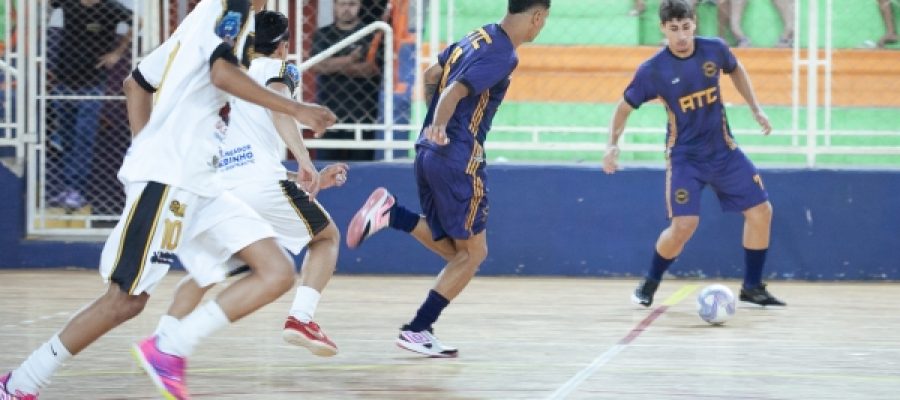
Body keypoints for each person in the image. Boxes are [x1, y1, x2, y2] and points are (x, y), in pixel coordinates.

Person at [0, 0, 336, 399]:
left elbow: (136, 82)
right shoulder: (230, 9)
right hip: (172, 177)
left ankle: (169, 348)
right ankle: (22, 382)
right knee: (125, 301)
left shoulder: (203, 22)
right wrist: (297, 108)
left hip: (203, 180)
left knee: (275, 271)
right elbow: (221, 73)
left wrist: (145, 147)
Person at [344, 0, 551, 357]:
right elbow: (454, 91)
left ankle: (393, 215)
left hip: (428, 152)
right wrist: (442, 125)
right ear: (537, 17)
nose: (541, 26)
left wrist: (433, 128)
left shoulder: (478, 35)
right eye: (543, 20)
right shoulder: (504, 55)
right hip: (457, 159)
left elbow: (430, 77)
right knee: (473, 254)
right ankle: (417, 328)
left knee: (459, 251)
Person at [143, 10, 347, 359]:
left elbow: (248, 154)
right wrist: (305, 160)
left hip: (224, 190)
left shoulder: (233, 77)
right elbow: (281, 109)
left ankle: (161, 340)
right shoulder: (280, 69)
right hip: (261, 186)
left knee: (211, 269)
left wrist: (296, 176)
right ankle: (301, 318)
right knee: (326, 237)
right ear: (283, 46)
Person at [602, 0, 785, 309]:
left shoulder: (714, 49)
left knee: (761, 211)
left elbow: (736, 69)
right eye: (674, 29)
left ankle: (752, 287)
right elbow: (622, 109)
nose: (682, 36)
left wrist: (756, 108)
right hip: (685, 158)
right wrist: (612, 145)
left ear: (694, 24)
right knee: (684, 226)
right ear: (663, 29)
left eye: (686, 28)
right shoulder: (652, 70)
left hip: (724, 151)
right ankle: (650, 282)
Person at [47, 0, 133, 210]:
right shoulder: (68, 4)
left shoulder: (111, 8)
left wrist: (117, 53)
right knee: (65, 138)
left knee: (83, 137)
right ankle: (68, 188)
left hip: (92, 83)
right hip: (64, 81)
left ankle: (77, 190)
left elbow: (137, 23)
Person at [310, 0, 382, 161]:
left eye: (352, 4)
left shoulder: (370, 33)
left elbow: (370, 69)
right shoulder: (323, 34)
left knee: (362, 164)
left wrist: (331, 65)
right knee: (325, 164)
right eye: (342, 4)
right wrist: (350, 60)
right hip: (328, 109)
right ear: (334, 6)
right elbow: (316, 66)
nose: (346, 9)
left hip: (363, 111)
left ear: (360, 6)